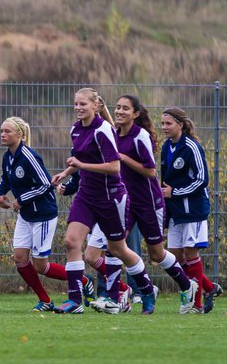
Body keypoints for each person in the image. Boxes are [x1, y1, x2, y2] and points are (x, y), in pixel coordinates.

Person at [50, 88, 162, 314]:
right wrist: (66, 173)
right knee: (71, 242)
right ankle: (75, 301)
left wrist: (81, 166)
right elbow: (80, 159)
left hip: (111, 197)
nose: (78, 108)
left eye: (83, 104)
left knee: (117, 249)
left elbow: (114, 167)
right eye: (76, 104)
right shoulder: (75, 129)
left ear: (96, 106)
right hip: (86, 195)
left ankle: (146, 289)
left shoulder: (103, 130)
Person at [94, 95, 195, 313]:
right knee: (114, 247)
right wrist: (102, 110)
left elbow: (150, 171)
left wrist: (123, 158)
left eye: (125, 109)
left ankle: (187, 286)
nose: (120, 111)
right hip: (126, 202)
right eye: (117, 107)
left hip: (149, 203)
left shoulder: (141, 136)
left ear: (136, 114)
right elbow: (111, 127)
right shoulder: (114, 133)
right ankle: (123, 296)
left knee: (157, 254)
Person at [0, 116, 92, 312]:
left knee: (40, 265)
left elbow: (46, 184)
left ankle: (82, 279)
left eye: (7, 131)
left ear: (19, 135)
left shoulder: (29, 156)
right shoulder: (8, 156)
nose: (3, 135)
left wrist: (22, 199)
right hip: (26, 215)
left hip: (43, 215)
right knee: (20, 258)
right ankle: (45, 300)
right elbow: (5, 179)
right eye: (1, 131)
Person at [160, 106, 219, 313]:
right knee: (174, 258)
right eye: (163, 123)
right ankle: (210, 288)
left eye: (168, 123)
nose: (164, 127)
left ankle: (197, 304)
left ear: (180, 125)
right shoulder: (167, 147)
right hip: (175, 211)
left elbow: (202, 180)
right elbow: (165, 181)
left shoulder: (191, 147)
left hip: (193, 209)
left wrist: (175, 192)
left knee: (190, 252)